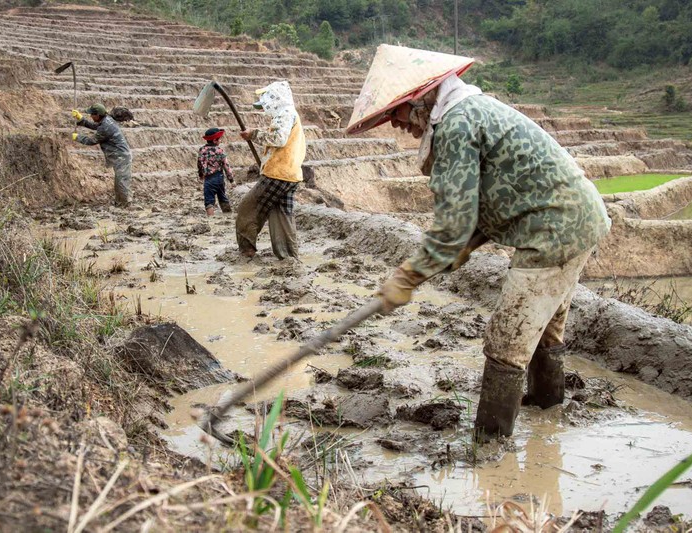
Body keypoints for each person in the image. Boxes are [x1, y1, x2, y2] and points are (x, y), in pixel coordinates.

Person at [347, 45, 611, 442]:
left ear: (418, 98)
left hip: (553, 232)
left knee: (506, 340)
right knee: (543, 330)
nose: (396, 124)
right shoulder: (473, 110)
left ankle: (488, 449)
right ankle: (547, 417)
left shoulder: (456, 124)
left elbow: (453, 221)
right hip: (575, 219)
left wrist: (407, 277)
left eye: (395, 113)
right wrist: (465, 245)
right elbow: (497, 193)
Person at [236, 81, 306, 260]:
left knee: (248, 208)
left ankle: (247, 251)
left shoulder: (284, 114)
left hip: (278, 174)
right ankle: (289, 257)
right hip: (291, 174)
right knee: (281, 215)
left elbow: (278, 138)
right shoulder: (292, 115)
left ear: (276, 101)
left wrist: (254, 134)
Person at [70, 103, 133, 207]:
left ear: (98, 115)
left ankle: (125, 204)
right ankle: (121, 203)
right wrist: (81, 120)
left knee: (121, 181)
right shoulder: (106, 120)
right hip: (119, 156)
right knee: (120, 180)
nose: (91, 116)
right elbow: (95, 126)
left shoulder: (106, 126)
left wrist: (78, 138)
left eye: (92, 115)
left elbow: (92, 140)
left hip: (121, 157)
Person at [197, 127, 235, 216]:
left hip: (208, 179)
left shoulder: (202, 150)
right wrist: (231, 180)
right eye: (220, 139)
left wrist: (201, 175)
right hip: (219, 177)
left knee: (209, 201)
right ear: (215, 140)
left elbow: (199, 163)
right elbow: (226, 166)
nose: (221, 141)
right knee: (222, 197)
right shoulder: (220, 151)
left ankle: (211, 220)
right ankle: (228, 216)